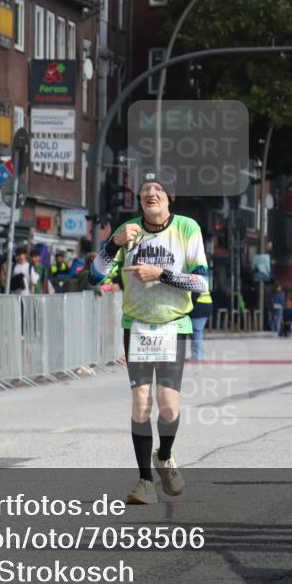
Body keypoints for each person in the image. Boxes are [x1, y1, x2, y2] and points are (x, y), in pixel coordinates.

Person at [90, 170, 209, 505]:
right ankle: (144, 482)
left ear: (170, 197)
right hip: (138, 326)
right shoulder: (127, 231)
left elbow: (202, 283)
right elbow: (94, 277)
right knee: (141, 403)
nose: (151, 193)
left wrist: (163, 274)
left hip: (174, 324)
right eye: (145, 190)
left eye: (158, 189)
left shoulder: (187, 228)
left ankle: (165, 456)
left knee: (168, 406)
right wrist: (112, 244)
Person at [188, 290, 213, 362]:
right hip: (204, 307)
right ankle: (198, 354)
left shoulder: (193, 281)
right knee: (195, 332)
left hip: (199, 307)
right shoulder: (199, 280)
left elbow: (194, 296)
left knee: (196, 331)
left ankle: (198, 355)